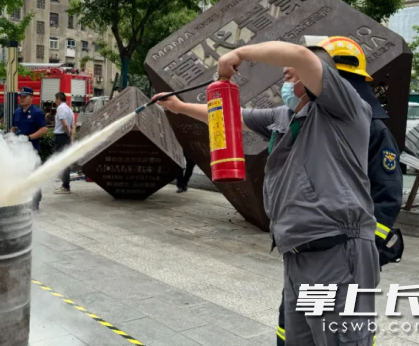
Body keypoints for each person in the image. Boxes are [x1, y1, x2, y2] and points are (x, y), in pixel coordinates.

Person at [154, 40, 379, 346]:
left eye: (289, 76)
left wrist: (240, 54)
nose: (284, 83)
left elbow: (301, 55)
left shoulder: (344, 109)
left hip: (337, 249)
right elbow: (232, 116)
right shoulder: (284, 117)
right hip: (297, 253)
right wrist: (178, 107)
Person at [273, 37, 405, 345]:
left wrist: (368, 251)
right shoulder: (313, 118)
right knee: (291, 329)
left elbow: (386, 197)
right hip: (306, 253)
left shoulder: (370, 127)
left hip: (343, 257)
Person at [11, 87, 48, 210]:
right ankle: (21, 200)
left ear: (31, 97)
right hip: (18, 150)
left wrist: (29, 138)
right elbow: (13, 127)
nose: (21, 98)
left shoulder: (37, 113)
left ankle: (35, 203)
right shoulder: (17, 112)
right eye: (20, 96)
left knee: (33, 177)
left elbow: (44, 129)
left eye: (24, 96)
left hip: (31, 150)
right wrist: (11, 136)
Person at [53, 92, 75, 194]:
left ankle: (65, 187)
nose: (54, 101)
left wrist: (67, 133)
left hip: (61, 137)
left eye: (55, 99)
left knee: (62, 161)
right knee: (65, 161)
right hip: (66, 137)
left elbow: (65, 124)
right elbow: (73, 125)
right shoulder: (69, 109)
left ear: (58, 99)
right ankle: (65, 185)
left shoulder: (60, 108)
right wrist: (71, 137)